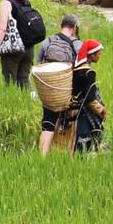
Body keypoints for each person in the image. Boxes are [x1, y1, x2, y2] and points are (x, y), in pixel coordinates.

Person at [36, 15, 83, 156]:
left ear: (61, 26)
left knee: (48, 125)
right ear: (74, 28)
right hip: (68, 90)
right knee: (72, 123)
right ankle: (68, 156)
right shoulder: (78, 45)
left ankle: (42, 157)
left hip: (49, 89)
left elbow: (39, 65)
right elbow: (82, 70)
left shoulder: (48, 41)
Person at [0, 0, 39, 88]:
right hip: (29, 47)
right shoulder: (26, 1)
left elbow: (3, 27)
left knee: (10, 82)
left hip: (13, 48)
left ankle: (11, 103)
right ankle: (32, 101)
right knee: (24, 79)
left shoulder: (6, 3)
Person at [72, 40, 108, 154]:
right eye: (98, 53)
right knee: (86, 136)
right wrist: (101, 109)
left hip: (74, 109)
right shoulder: (89, 72)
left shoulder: (76, 69)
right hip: (84, 111)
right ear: (91, 55)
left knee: (78, 137)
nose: (100, 55)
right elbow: (89, 98)